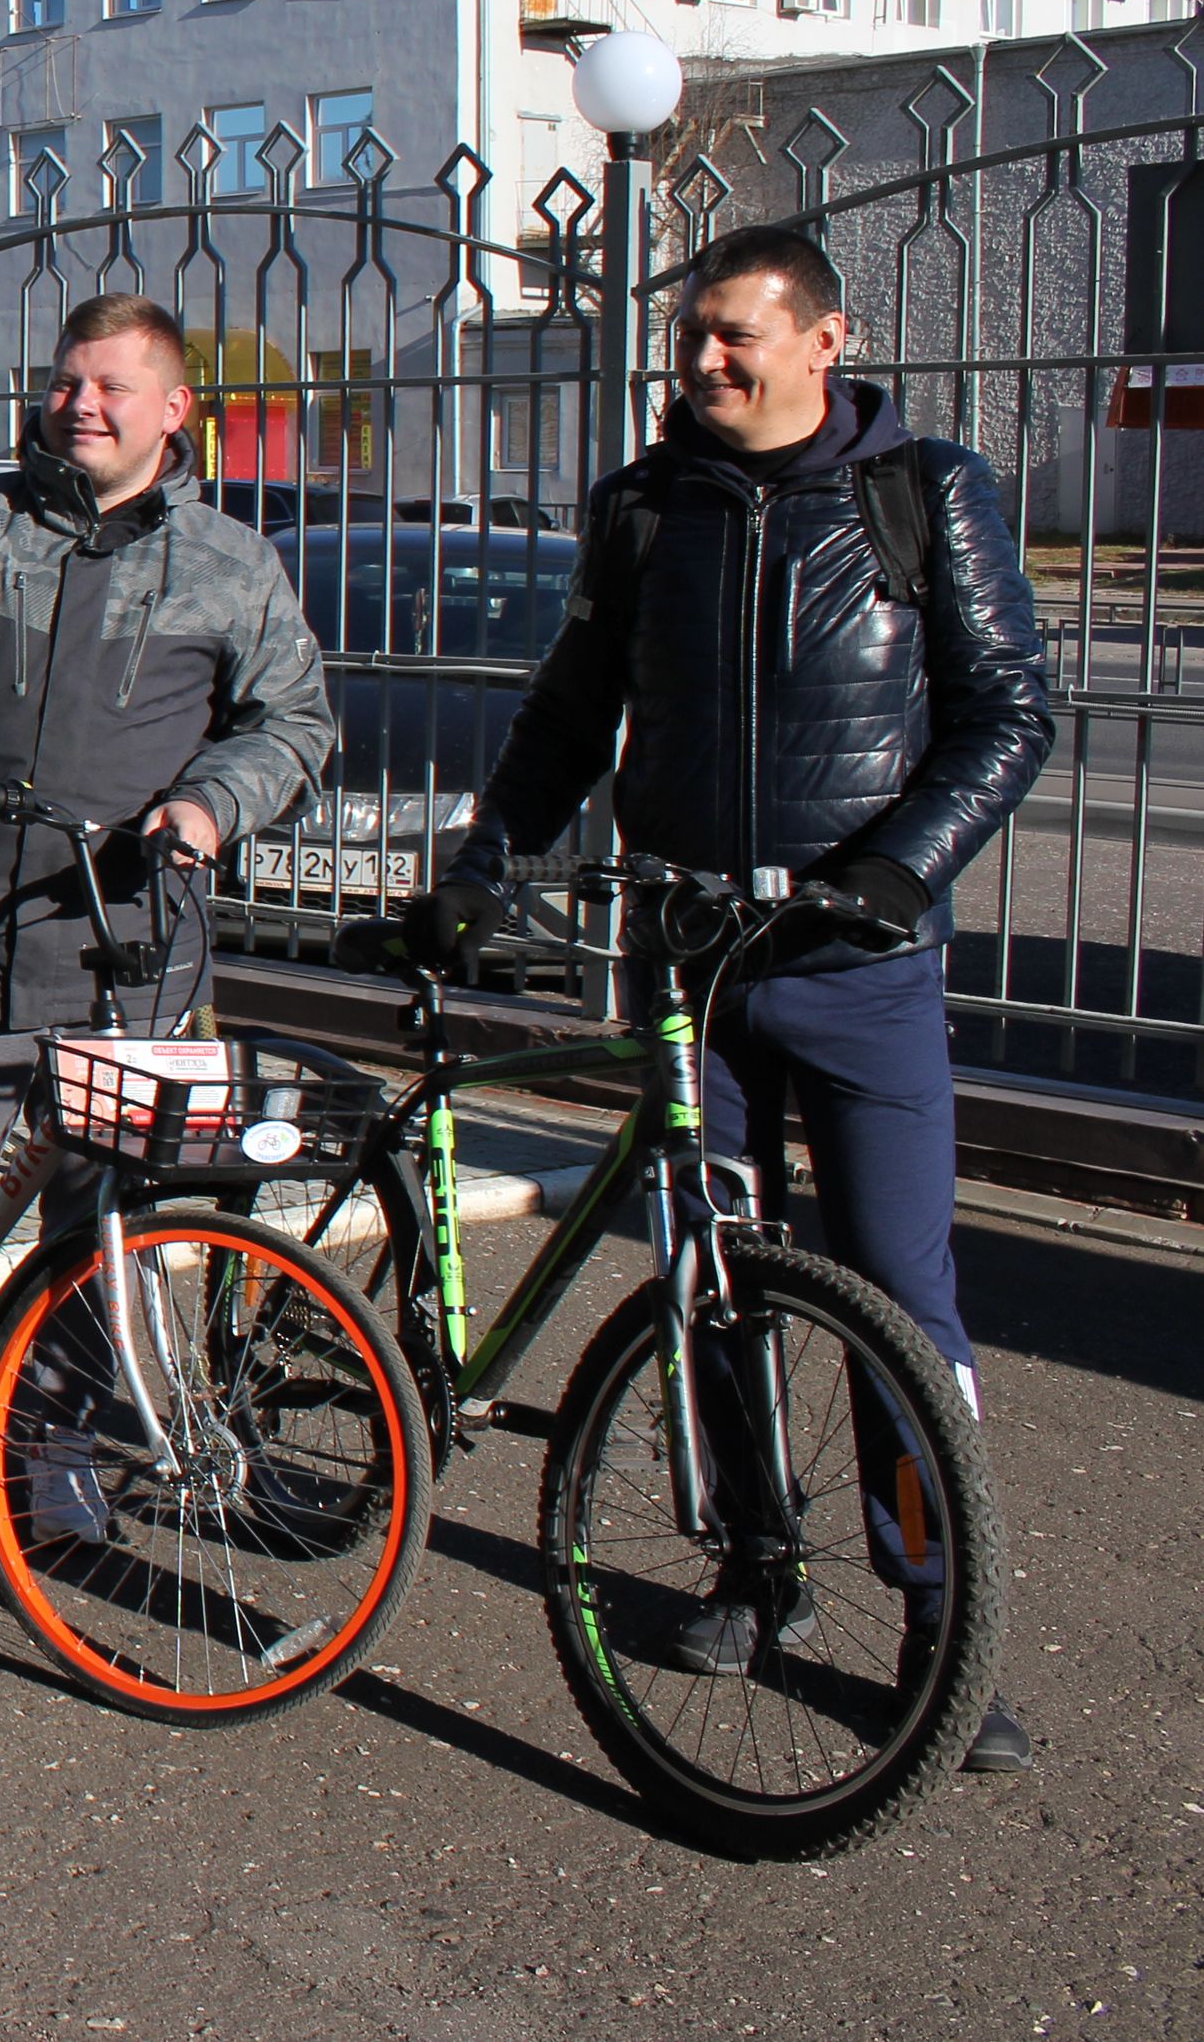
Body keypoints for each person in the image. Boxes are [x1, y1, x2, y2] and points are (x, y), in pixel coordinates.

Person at [419, 222, 1048, 1774]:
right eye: (688, 337)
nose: (700, 361)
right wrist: (488, 842)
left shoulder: (921, 494)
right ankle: (753, 1570)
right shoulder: (644, 509)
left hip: (857, 970)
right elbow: (573, 708)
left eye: (731, 336)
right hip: (691, 967)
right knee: (711, 1279)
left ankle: (934, 1621)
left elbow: (1006, 711)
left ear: (821, 343)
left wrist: (898, 871)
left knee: (900, 1304)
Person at [0, 293, 335, 1535]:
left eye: (111, 386)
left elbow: (296, 722)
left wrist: (213, 808)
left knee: (105, 1224)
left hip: (133, 954)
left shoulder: (229, 561)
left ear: (175, 410)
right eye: (66, 380)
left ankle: (51, 1446)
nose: (81, 404)